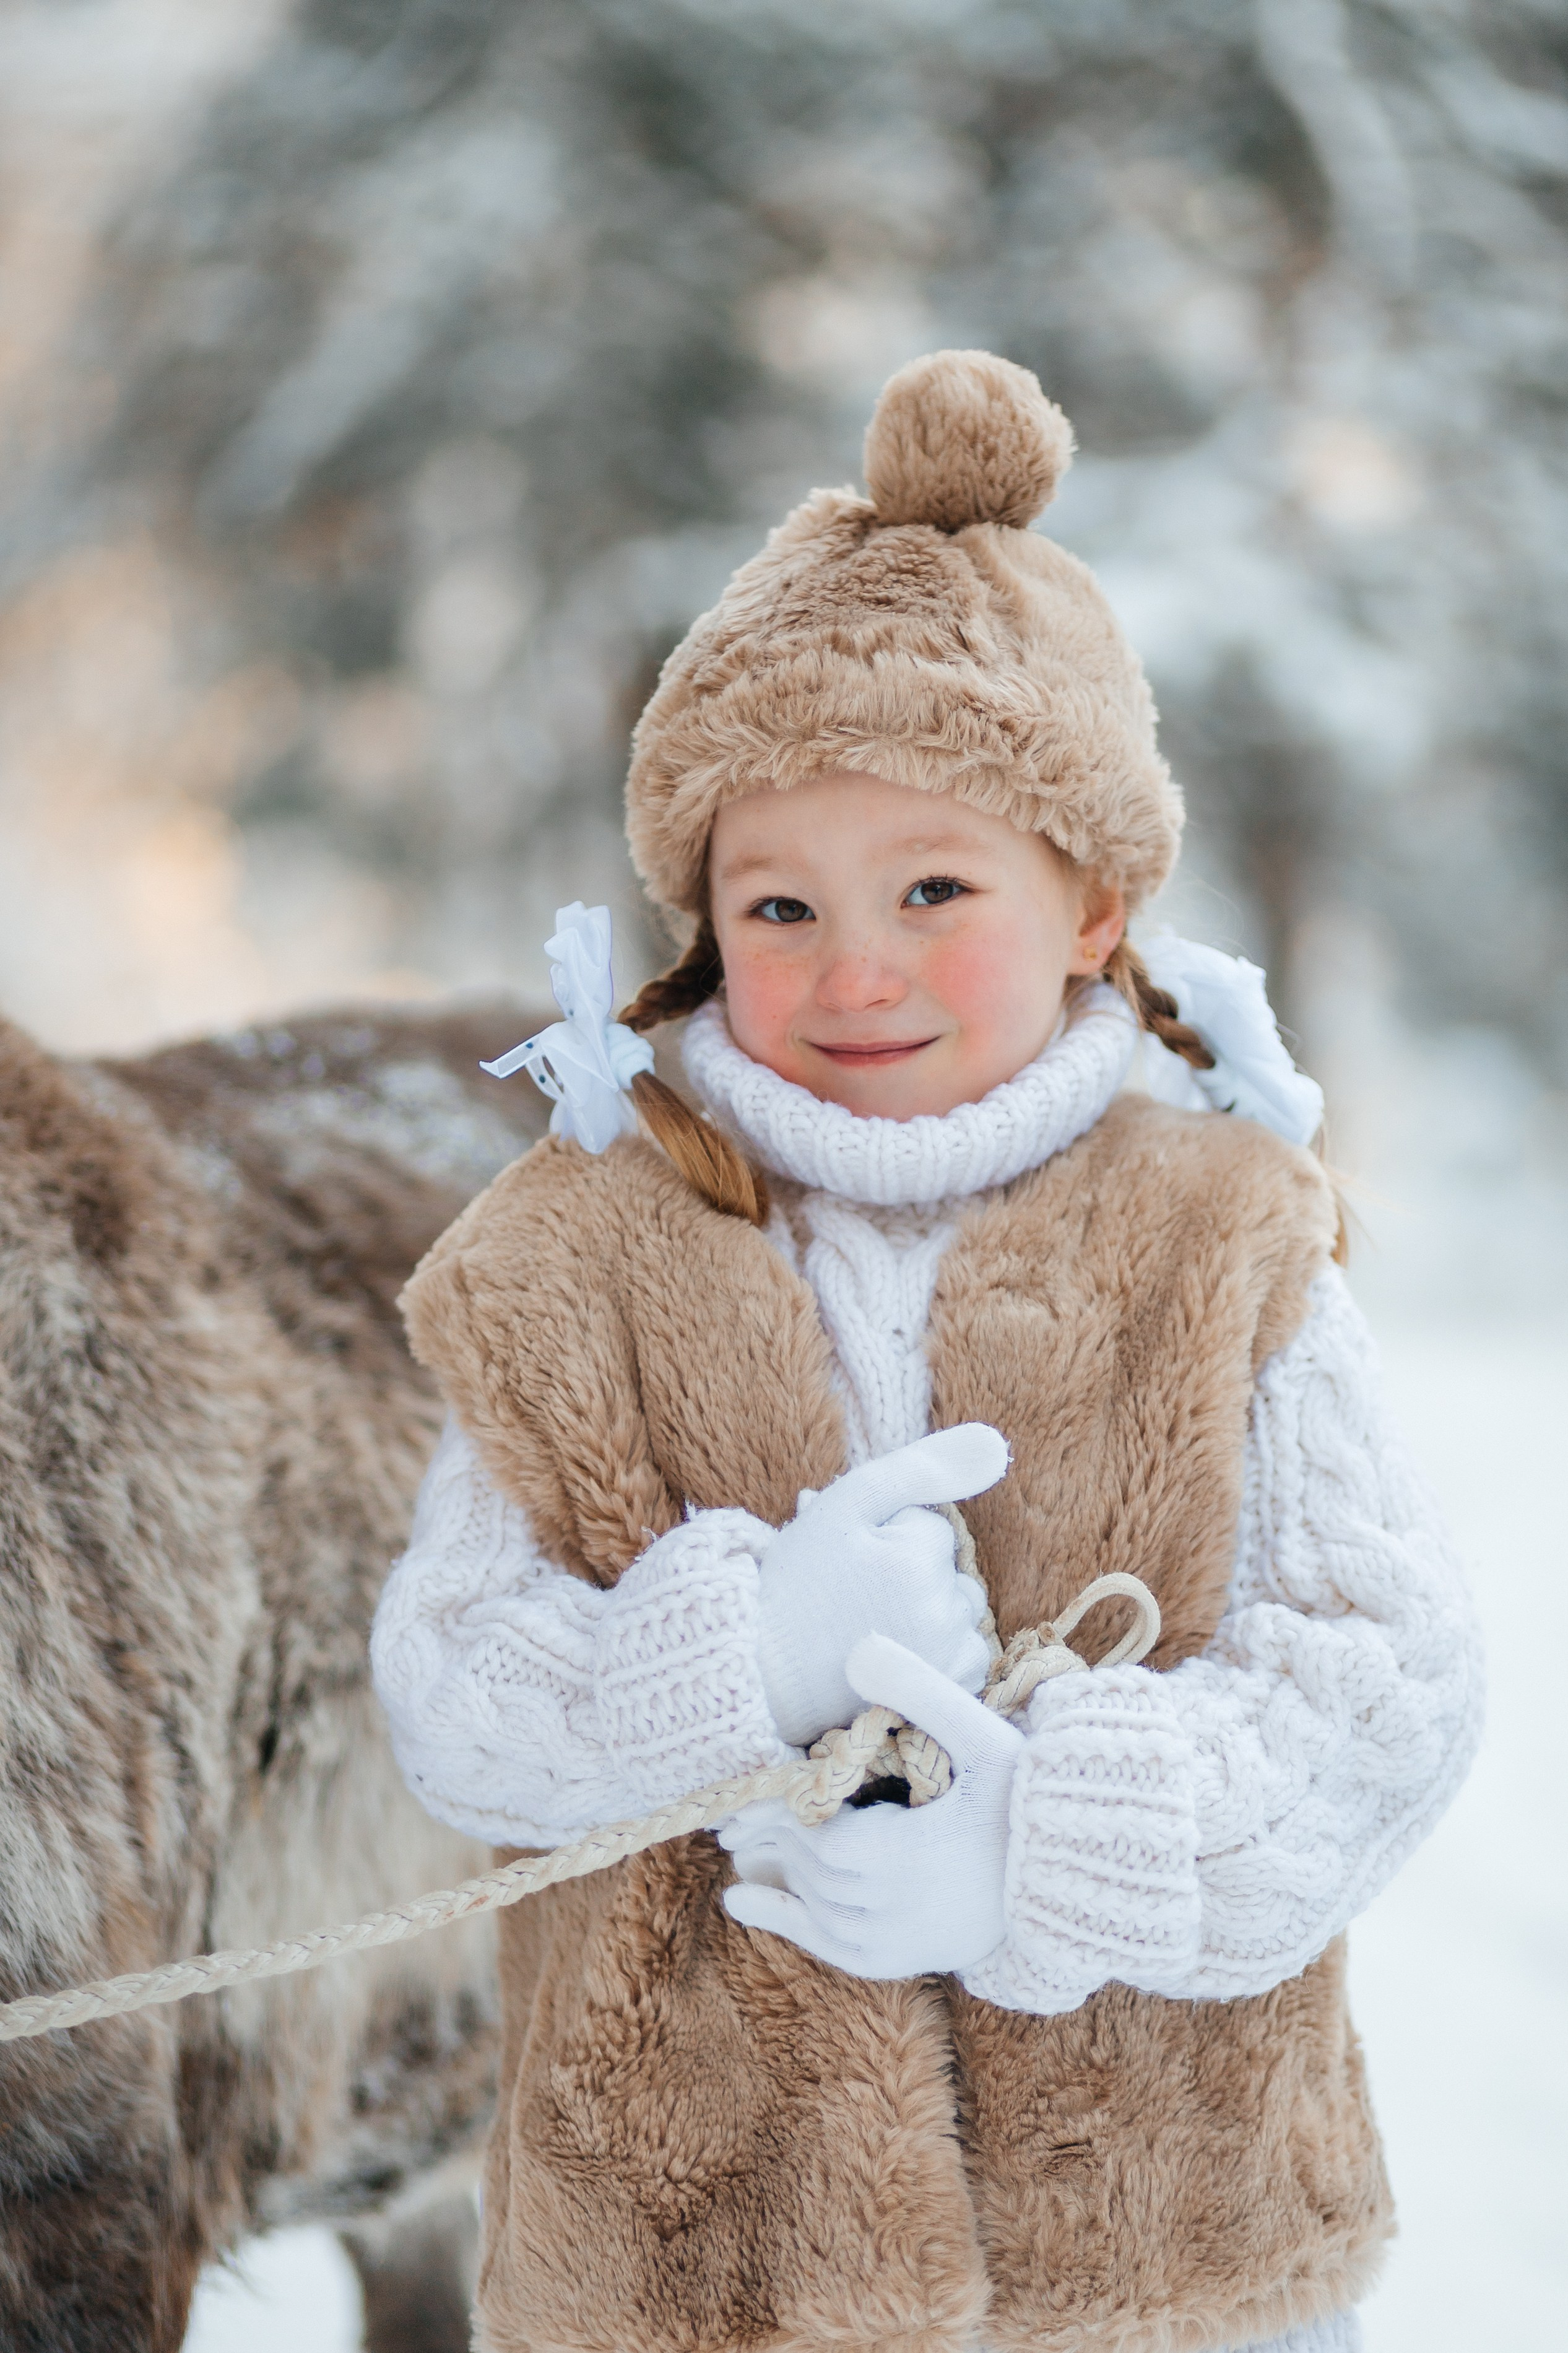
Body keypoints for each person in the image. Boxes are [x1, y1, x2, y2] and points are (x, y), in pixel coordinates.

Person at [371, 350, 1480, 2353]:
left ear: (1096, 906)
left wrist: (1052, 1856)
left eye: (934, 887)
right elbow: (452, 1683)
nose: (854, 965)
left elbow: (1386, 1678)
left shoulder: (1219, 1235)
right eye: (780, 904)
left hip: (1163, 2261)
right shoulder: (577, 1257)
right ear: (701, 920)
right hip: (699, 2265)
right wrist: (732, 1661)